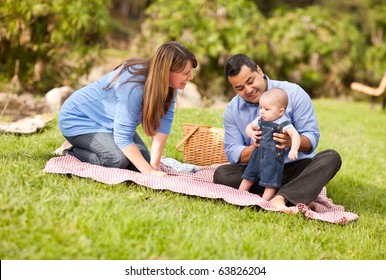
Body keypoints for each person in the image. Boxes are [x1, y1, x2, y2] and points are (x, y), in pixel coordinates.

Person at [213, 54, 342, 213]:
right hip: (259, 170)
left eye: (250, 81)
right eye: (239, 88)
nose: (248, 90)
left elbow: (311, 137)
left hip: (294, 168)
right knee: (222, 174)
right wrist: (257, 147)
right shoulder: (232, 110)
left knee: (331, 158)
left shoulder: (293, 93)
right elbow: (233, 152)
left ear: (259, 70)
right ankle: (295, 194)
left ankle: (281, 198)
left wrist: (290, 143)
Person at [58, 41, 197, 176]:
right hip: (79, 119)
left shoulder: (170, 87)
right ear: (166, 71)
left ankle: (98, 144)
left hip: (111, 124)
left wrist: (154, 166)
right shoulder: (134, 86)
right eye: (185, 73)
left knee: (142, 161)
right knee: (116, 160)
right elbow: (123, 137)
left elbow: (164, 124)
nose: (190, 77)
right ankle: (71, 148)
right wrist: (148, 172)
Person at [239, 88, 301, 202]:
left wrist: (294, 149)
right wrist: (251, 133)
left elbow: (295, 135)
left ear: (280, 112)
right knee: (248, 175)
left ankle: (264, 201)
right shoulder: (260, 119)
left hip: (273, 158)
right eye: (261, 107)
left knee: (271, 182)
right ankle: (239, 195)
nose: (262, 111)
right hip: (257, 154)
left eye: (267, 109)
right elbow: (249, 127)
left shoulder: (284, 123)